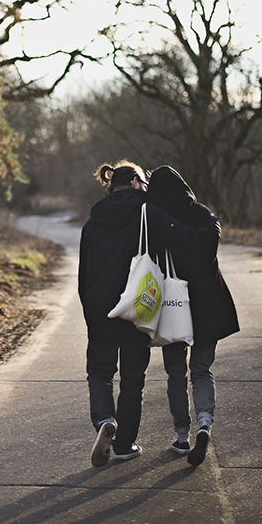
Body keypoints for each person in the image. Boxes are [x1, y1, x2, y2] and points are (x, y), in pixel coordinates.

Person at [78, 160, 221, 467]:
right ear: (133, 183)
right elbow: (188, 238)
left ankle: (105, 420)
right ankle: (125, 444)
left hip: (101, 313)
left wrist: (90, 317)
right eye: (144, 182)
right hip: (138, 309)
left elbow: (83, 277)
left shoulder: (91, 223)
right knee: (133, 380)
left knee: (100, 374)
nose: (147, 187)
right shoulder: (148, 213)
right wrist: (211, 223)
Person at [147, 165, 240, 466]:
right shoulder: (204, 216)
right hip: (208, 309)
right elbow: (208, 239)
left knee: (176, 372)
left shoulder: (156, 220)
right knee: (201, 369)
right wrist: (211, 222)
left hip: (174, 308)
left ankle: (181, 437)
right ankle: (204, 425)